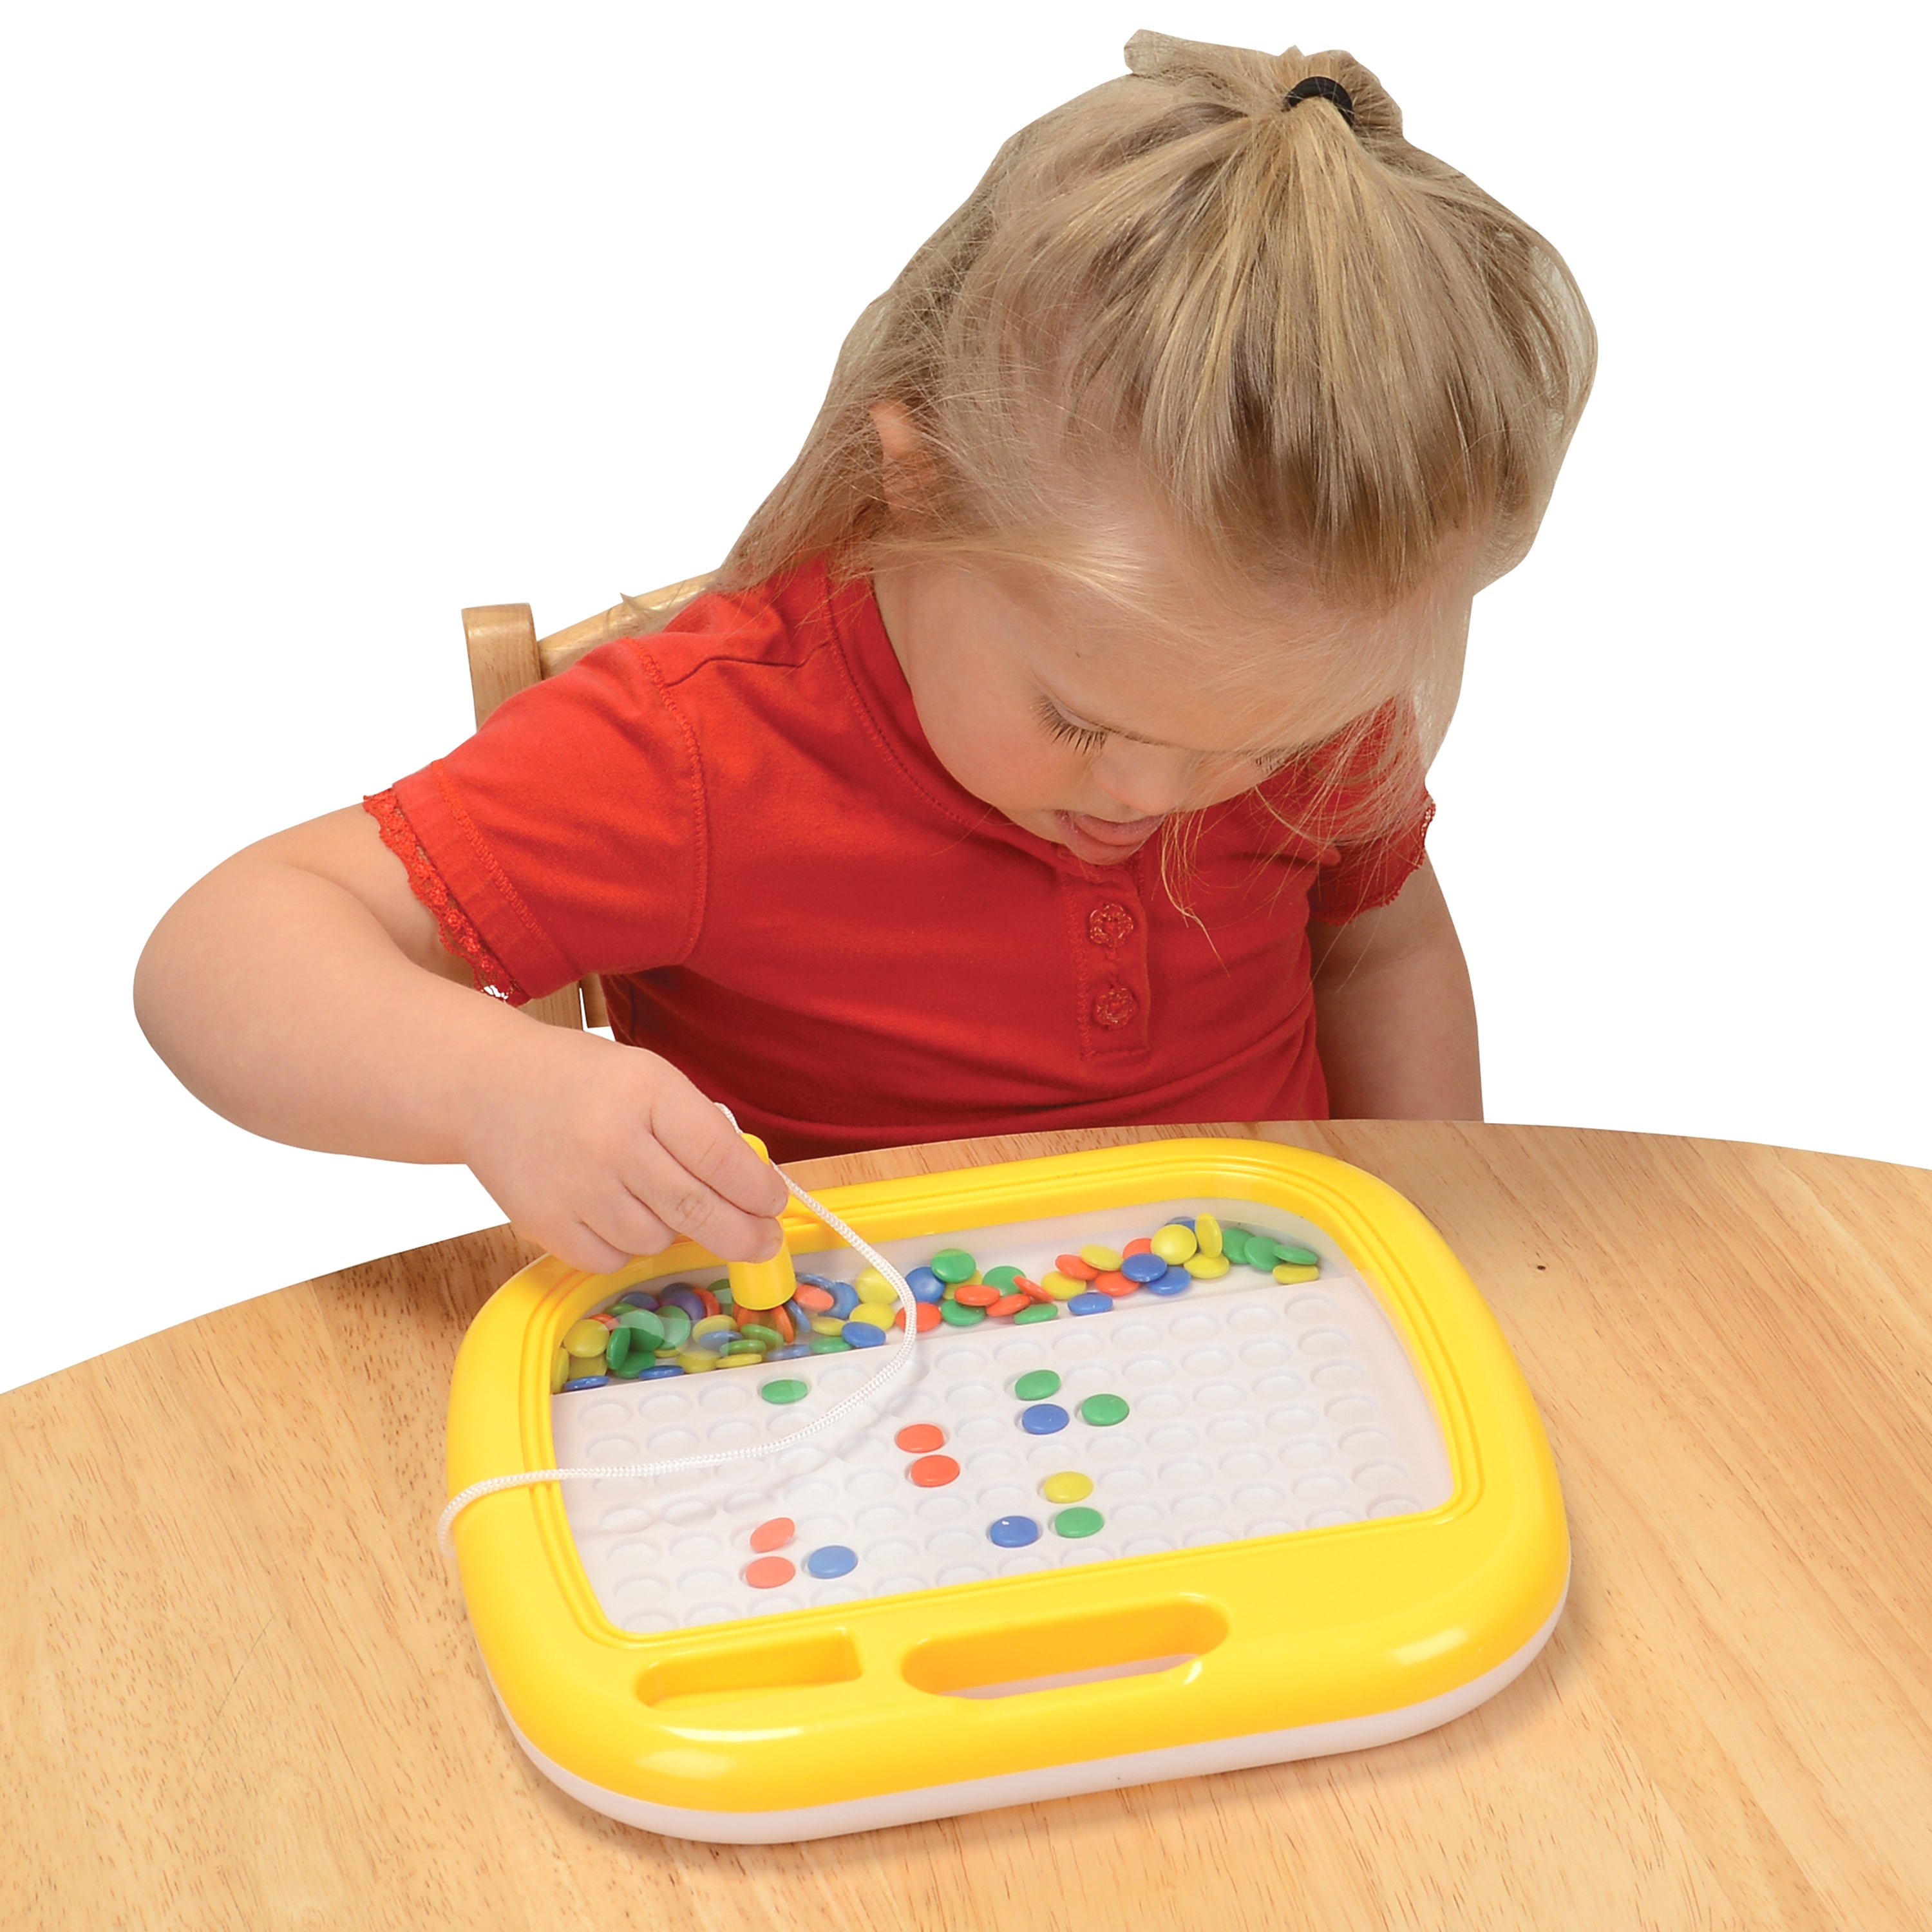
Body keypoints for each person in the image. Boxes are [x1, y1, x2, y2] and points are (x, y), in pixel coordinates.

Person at [134, 32, 1595, 1278]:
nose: (1159, 791)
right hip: (838, 1410)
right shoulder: (707, 750)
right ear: (919, 482)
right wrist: (488, 1088)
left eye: (1253, 749)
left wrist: (1430, 1235)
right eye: (1081, 720)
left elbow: (1381, 948)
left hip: (1263, 1354)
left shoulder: (1282, 675)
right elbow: (220, 950)